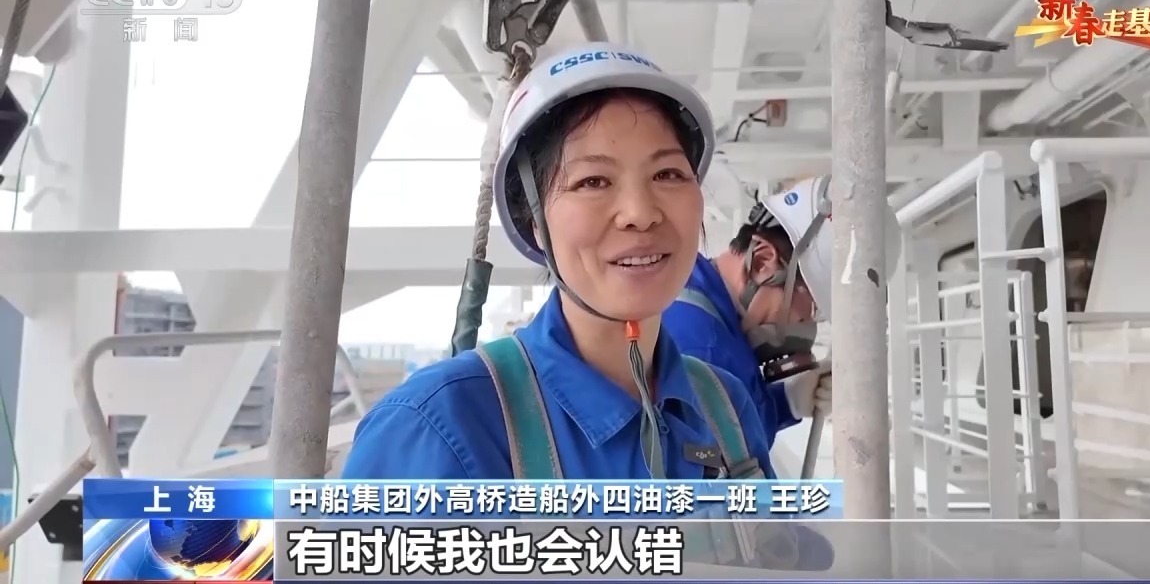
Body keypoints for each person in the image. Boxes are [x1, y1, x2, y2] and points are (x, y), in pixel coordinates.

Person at [343, 43, 775, 481]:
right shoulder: (432, 429)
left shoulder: (725, 409)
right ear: (534, 221)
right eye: (593, 181)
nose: (640, 213)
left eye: (668, 174)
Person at [663, 175, 901, 449]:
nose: (807, 323)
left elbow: (734, 420)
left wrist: (788, 401)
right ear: (763, 262)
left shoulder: (694, 293)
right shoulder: (706, 351)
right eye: (813, 305)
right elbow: (735, 461)